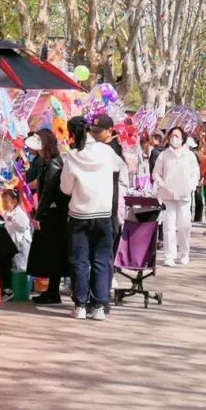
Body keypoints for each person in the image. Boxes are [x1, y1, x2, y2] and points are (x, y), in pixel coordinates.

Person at [59, 117, 127, 321]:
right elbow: (120, 167)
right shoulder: (106, 151)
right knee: (101, 260)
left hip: (79, 214)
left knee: (79, 261)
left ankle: (80, 305)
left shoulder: (72, 156)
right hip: (103, 213)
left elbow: (65, 188)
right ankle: (98, 306)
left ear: (72, 134)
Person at [26, 130, 70, 306]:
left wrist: (38, 214)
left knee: (52, 253)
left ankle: (52, 292)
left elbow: (48, 192)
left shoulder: (53, 163)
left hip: (52, 214)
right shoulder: (49, 162)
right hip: (50, 212)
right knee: (51, 254)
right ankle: (52, 292)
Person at [152, 127, 201, 266]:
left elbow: (195, 173)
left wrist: (191, 186)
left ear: (183, 138)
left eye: (177, 136)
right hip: (168, 195)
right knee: (169, 226)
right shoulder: (164, 155)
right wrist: (161, 183)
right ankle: (169, 256)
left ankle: (184, 254)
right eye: (172, 135)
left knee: (184, 226)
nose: (174, 138)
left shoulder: (189, 155)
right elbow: (156, 173)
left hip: (184, 195)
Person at [0, 189, 32, 301]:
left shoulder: (20, 213)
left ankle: (21, 292)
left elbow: (23, 227)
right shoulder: (9, 212)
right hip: (14, 243)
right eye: (3, 201)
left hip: (21, 243)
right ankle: (15, 291)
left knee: (21, 267)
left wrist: (13, 220)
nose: (4, 204)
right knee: (15, 267)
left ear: (14, 201)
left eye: (6, 201)